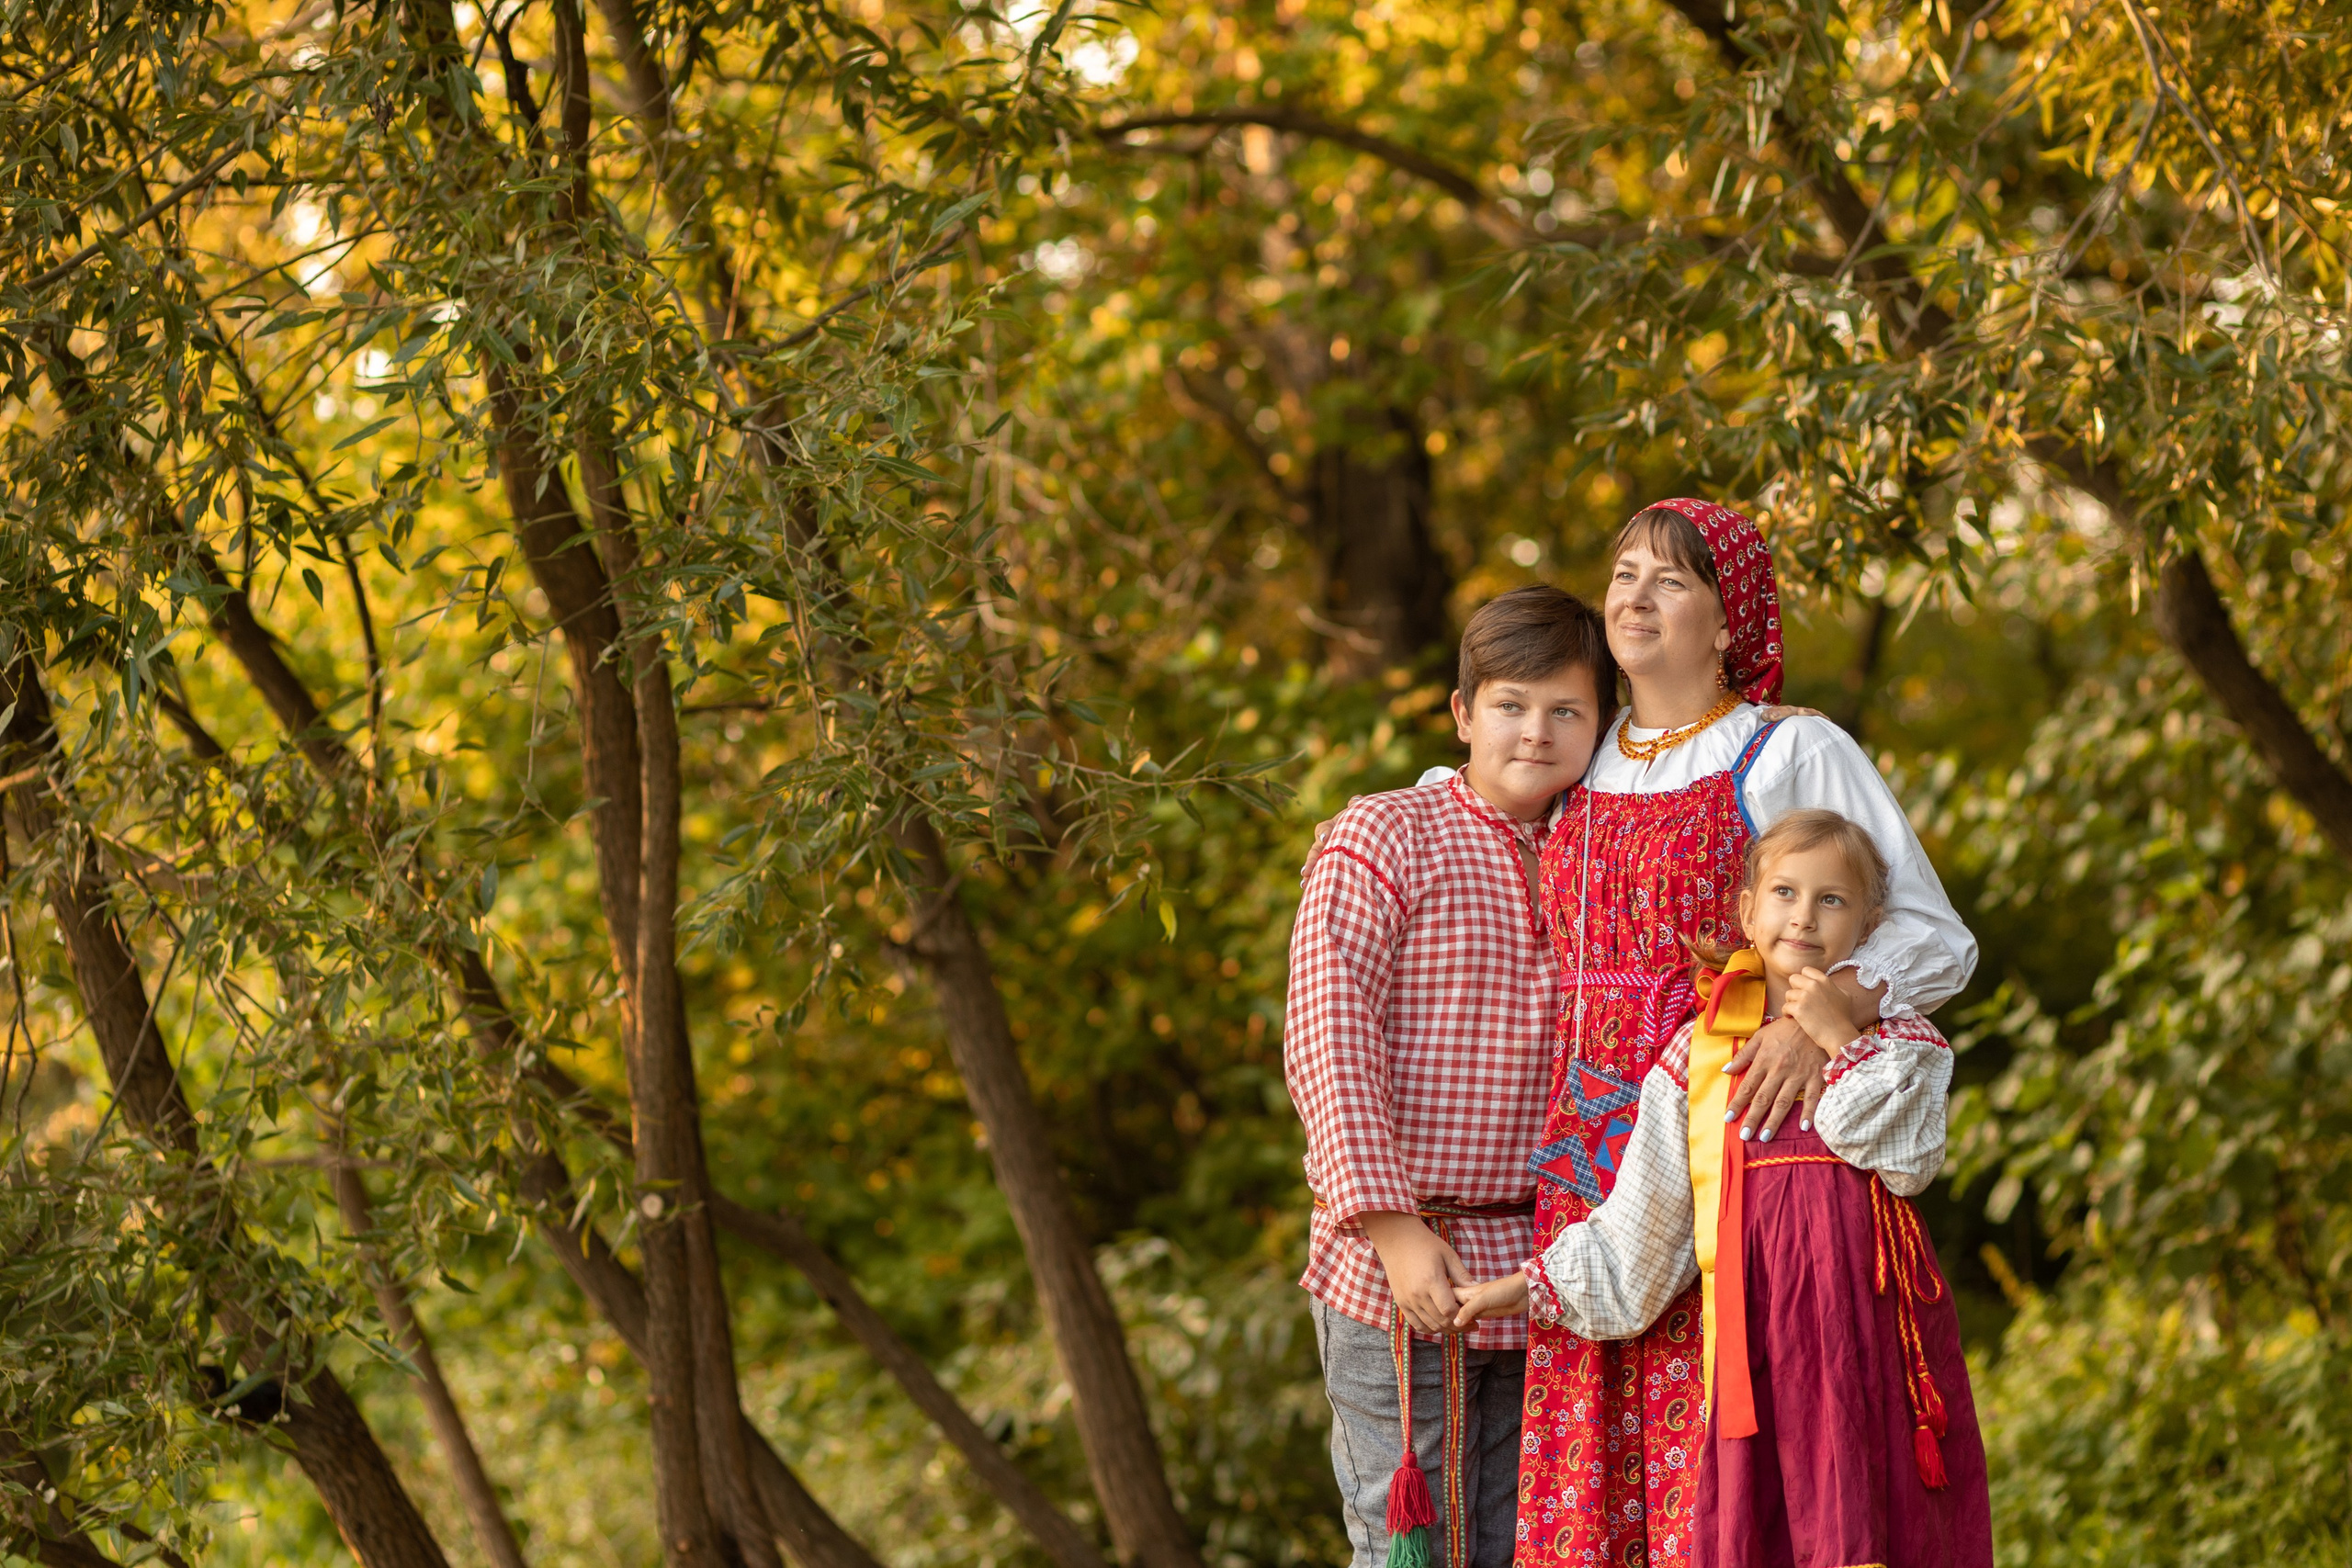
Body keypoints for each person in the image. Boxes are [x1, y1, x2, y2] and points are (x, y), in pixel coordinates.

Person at [1498, 499, 1978, 1568]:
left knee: (1729, 1459)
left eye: (1670, 579)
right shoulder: (1578, 750)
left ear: (1727, 621)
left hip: (1735, 1129)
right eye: (1622, 573)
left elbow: (1935, 938)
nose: (1634, 595)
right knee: (1592, 1458)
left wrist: (1826, 1017)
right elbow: (1470, 792)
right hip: (1587, 1146)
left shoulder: (1786, 749)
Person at [1452, 807, 1992, 1568]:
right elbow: (1646, 1222)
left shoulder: (1899, 1040)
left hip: (1865, 1330)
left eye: (1831, 900)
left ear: (1870, 923)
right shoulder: (1702, 1053)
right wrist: (1523, 1286)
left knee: (1867, 1509)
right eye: (1784, 892)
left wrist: (1834, 1032)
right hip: (1758, 1335)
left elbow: (1906, 1159)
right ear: (1746, 909)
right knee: (1766, 1520)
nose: (1803, 916)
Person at [1285, 585, 1615, 1568]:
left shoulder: (1599, 854)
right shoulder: (1386, 835)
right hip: (1402, 1262)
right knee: (1411, 1551)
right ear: (1463, 712)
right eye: (1511, 705)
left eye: (1568, 711)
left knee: (1526, 1547)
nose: (1537, 731)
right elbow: (1326, 1038)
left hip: (1541, 1275)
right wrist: (1392, 1234)